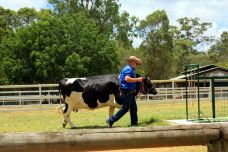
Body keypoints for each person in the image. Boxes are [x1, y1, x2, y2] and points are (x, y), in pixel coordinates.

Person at [106, 56, 143, 128]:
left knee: (133, 108)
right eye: (136, 63)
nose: (137, 65)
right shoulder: (128, 69)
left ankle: (134, 123)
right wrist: (138, 79)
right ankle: (110, 120)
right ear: (132, 62)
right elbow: (127, 79)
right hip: (127, 92)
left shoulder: (128, 69)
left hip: (130, 92)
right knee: (125, 108)